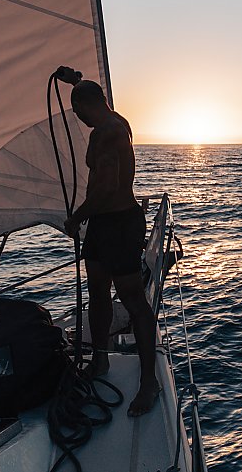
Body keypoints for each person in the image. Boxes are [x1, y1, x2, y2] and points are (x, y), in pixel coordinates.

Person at [62, 80, 159, 416]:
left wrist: (76, 219)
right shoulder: (116, 123)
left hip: (119, 223)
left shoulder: (108, 133)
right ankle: (100, 360)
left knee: (133, 300)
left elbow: (106, 188)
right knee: (98, 294)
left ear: (86, 105)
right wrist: (77, 82)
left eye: (78, 111)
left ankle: (149, 382)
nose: (79, 118)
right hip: (103, 225)